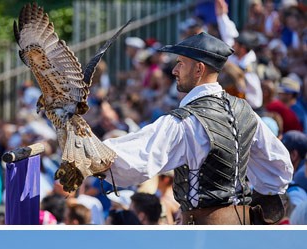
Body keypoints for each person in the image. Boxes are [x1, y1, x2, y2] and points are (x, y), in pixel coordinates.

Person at [103, 32, 293, 224]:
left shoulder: (186, 121)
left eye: (181, 63)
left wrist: (89, 154)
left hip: (202, 234)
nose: (175, 70)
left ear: (199, 69)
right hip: (242, 229)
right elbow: (279, 168)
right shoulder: (246, 112)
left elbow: (139, 158)